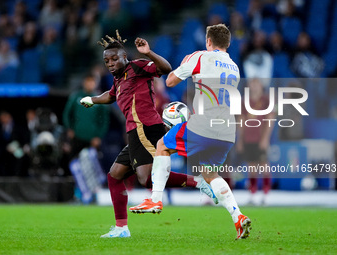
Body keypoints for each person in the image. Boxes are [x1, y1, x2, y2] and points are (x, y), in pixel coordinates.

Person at [80, 30, 217, 238]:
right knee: (115, 175)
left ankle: (198, 182)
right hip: (136, 131)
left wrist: (148, 52)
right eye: (107, 60)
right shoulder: (119, 80)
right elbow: (110, 97)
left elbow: (166, 68)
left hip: (147, 128)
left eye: (114, 58)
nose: (110, 63)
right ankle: (121, 228)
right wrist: (92, 99)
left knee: (147, 179)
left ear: (125, 57)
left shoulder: (138, 66)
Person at [130, 24, 252, 240]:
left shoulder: (200, 56)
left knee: (162, 146)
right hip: (226, 131)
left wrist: (186, 64)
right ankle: (238, 217)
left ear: (208, 41)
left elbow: (170, 80)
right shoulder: (234, 67)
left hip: (204, 123)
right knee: (209, 173)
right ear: (228, 44)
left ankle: (156, 199)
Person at [236, 78, 275, 205]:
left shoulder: (266, 100)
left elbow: (270, 119)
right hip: (248, 138)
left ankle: (266, 193)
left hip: (260, 138)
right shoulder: (244, 101)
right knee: (251, 167)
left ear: (261, 85)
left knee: (264, 165)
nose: (254, 86)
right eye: (252, 84)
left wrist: (265, 138)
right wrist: (240, 140)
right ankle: (252, 193)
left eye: (256, 83)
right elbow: (241, 121)